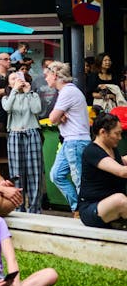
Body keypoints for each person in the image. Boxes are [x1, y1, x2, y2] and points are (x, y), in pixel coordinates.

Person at [46, 61, 91, 216]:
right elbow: (56, 118)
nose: (46, 78)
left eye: (47, 75)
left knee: (79, 179)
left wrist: (58, 117)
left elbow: (52, 118)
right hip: (70, 141)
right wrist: (59, 117)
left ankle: (86, 213)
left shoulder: (67, 92)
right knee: (56, 175)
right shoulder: (67, 92)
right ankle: (77, 208)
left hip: (76, 141)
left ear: (55, 74)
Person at [2, 72, 43, 213]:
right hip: (14, 133)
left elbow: (37, 109)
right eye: (13, 78)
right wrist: (14, 90)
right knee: (16, 172)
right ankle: (18, 207)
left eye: (19, 77)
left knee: (35, 172)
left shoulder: (32, 95)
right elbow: (7, 108)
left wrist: (28, 92)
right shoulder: (7, 97)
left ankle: (35, 208)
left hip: (32, 132)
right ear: (9, 84)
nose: (17, 80)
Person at [78, 113, 127, 228]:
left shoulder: (111, 148)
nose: (120, 137)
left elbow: (121, 161)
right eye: (117, 133)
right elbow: (122, 171)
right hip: (92, 209)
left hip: (110, 207)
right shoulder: (92, 151)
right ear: (103, 132)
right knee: (120, 200)